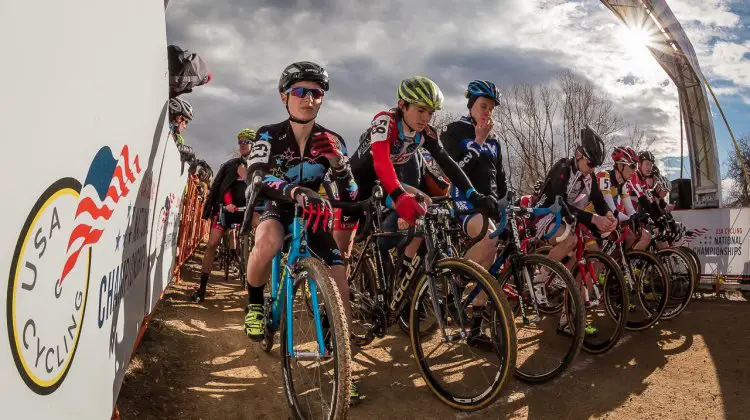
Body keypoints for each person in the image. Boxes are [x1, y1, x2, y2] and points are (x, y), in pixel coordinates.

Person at [347, 76, 498, 350]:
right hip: (359, 181)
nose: (425, 117)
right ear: (402, 105)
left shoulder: (425, 133)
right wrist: (397, 195)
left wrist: (473, 194)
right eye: (420, 110)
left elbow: (449, 164)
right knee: (351, 239)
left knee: (424, 204)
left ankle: (403, 270)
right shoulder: (386, 121)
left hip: (386, 179)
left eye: (430, 112)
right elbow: (380, 161)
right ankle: (338, 296)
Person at [240, 61, 361, 402]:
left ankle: (344, 366)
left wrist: (339, 165)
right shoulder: (269, 134)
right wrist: (293, 191)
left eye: (316, 93)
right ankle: (254, 304)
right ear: (284, 97)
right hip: (278, 206)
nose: (308, 99)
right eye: (300, 92)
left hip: (314, 214)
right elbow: (257, 176)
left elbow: (350, 196)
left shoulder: (332, 139)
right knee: (269, 240)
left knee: (339, 288)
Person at [534, 126, 616, 335]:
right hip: (546, 213)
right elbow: (559, 203)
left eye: (596, 166)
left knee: (590, 258)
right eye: (590, 164)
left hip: (570, 217)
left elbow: (598, 200)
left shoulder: (590, 177)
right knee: (569, 241)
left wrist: (607, 215)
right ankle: (539, 280)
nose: (592, 169)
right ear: (579, 155)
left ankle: (567, 317)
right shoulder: (563, 167)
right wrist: (593, 219)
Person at [441, 80, 506, 272]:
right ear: (471, 105)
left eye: (491, 109)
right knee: (489, 240)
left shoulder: (494, 140)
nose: (488, 112)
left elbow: (499, 177)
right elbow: (456, 171)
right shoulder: (454, 131)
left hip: (490, 202)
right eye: (483, 106)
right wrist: (478, 141)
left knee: (491, 257)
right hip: (465, 199)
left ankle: (479, 302)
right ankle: (456, 280)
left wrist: (505, 202)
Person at [192, 128, 256, 302]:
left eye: (246, 142)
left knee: (265, 235)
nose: (242, 145)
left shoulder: (259, 166)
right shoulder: (231, 165)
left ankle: (255, 282)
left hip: (248, 210)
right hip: (228, 209)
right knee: (212, 243)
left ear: (253, 144)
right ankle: (202, 288)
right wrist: (228, 203)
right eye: (240, 142)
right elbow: (223, 188)